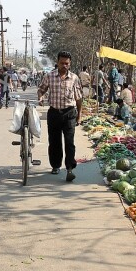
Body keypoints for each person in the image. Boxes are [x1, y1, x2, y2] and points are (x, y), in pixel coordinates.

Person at [38, 51, 83, 183]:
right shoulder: (50, 76)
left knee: (69, 142)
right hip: (54, 113)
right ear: (57, 62)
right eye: (62, 63)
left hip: (69, 113)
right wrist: (40, 97)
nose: (64, 65)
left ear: (70, 64)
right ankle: (56, 166)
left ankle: (69, 168)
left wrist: (79, 115)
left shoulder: (74, 78)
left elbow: (79, 98)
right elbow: (41, 89)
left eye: (67, 63)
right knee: (54, 141)